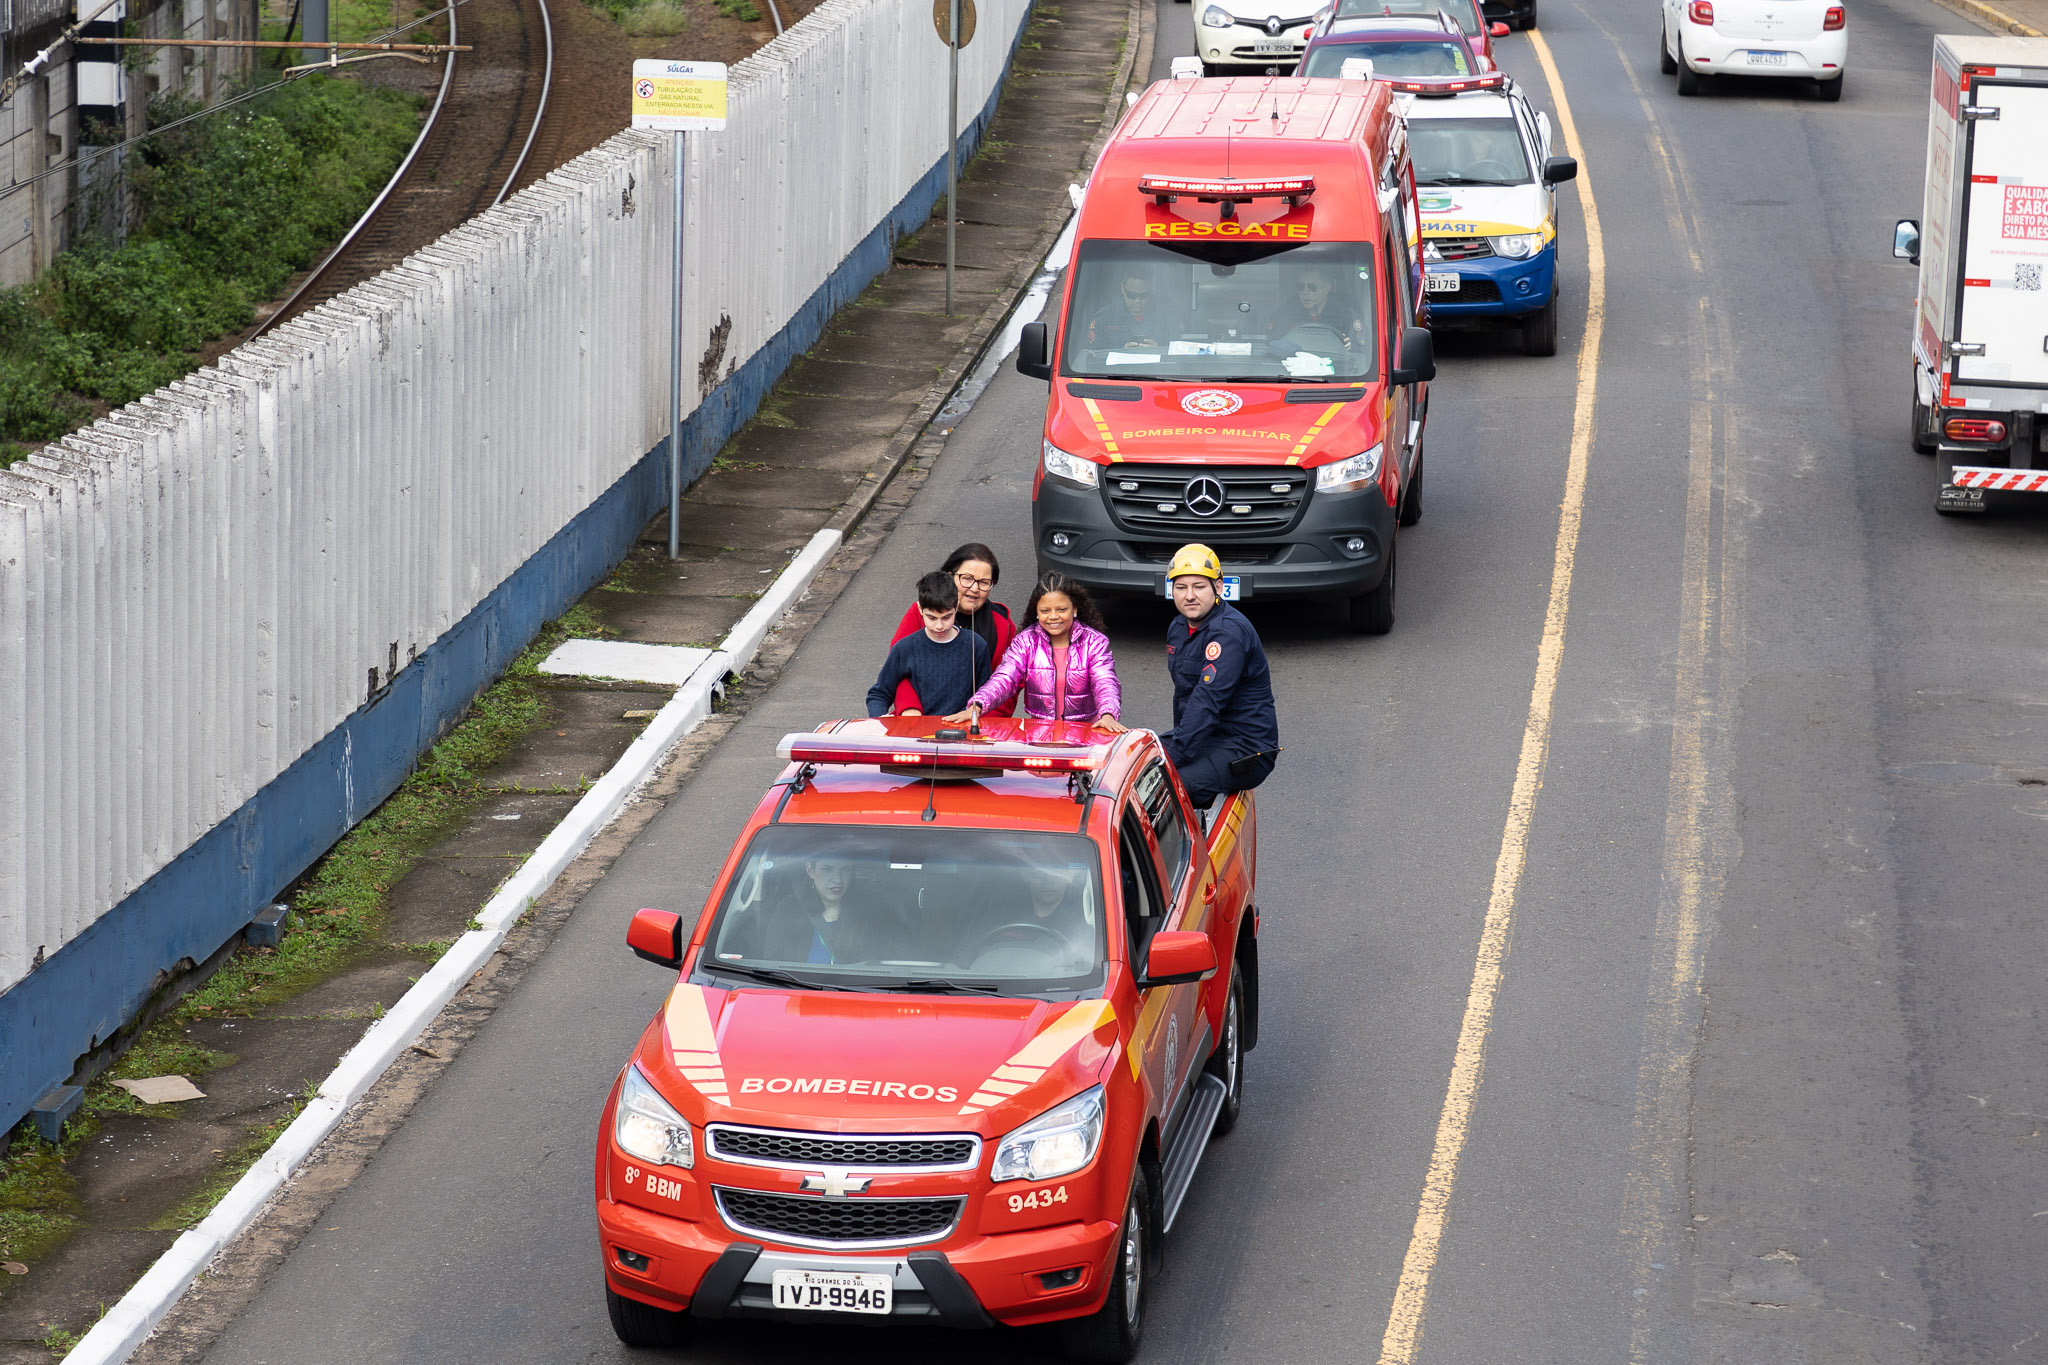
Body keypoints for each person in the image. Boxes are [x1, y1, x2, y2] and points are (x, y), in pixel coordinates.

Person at [1158, 543, 1280, 811]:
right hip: (1207, 736)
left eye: (1199, 586)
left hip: (1245, 746)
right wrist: (1175, 747)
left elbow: (1206, 701)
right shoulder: (1178, 627)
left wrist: (1177, 756)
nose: (1189, 595)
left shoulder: (1228, 634)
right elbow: (1184, 696)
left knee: (1167, 786)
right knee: (1137, 761)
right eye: (1181, 587)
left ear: (1219, 587)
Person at [949, 572, 1125, 731]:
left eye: (1061, 609)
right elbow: (1005, 677)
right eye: (1045, 611)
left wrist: (1108, 715)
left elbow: (1105, 681)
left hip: (1087, 734)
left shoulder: (1095, 642)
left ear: (1075, 609)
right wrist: (977, 704)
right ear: (1036, 613)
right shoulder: (1025, 641)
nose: (1053, 616)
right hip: (1040, 737)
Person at [886, 543, 1016, 716]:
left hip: (977, 723)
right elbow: (897, 669)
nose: (975, 588)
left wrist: (982, 718)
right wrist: (910, 709)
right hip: (919, 718)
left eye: (984, 582)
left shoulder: (1002, 624)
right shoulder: (921, 613)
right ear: (950, 577)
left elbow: (1008, 681)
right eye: (967, 579)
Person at [720, 847, 895, 965]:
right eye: (828, 869)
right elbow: (772, 963)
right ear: (810, 870)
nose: (838, 879)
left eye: (845, 870)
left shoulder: (873, 911)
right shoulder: (787, 911)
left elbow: (895, 958)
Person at [867, 571, 990, 718]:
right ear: (920, 609)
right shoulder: (905, 648)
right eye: (931, 617)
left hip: (962, 733)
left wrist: (976, 710)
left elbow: (986, 693)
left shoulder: (976, 646)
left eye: (946, 617)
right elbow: (879, 693)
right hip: (918, 735)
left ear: (956, 607)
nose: (939, 626)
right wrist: (880, 718)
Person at [1267, 265, 1368, 351]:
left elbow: (1362, 349)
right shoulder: (1285, 313)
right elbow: (1271, 342)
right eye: (1301, 287)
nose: (1305, 292)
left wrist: (1350, 345)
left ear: (1326, 288)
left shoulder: (1346, 316)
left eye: (1312, 287)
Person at [1087, 272, 1179, 349]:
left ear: (1151, 290)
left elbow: (1177, 353)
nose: (1138, 300)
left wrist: (1159, 350)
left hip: (1156, 370)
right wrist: (1120, 352)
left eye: (1144, 295)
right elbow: (1092, 353)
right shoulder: (1104, 317)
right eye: (1132, 295)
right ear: (1122, 289)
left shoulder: (1167, 316)